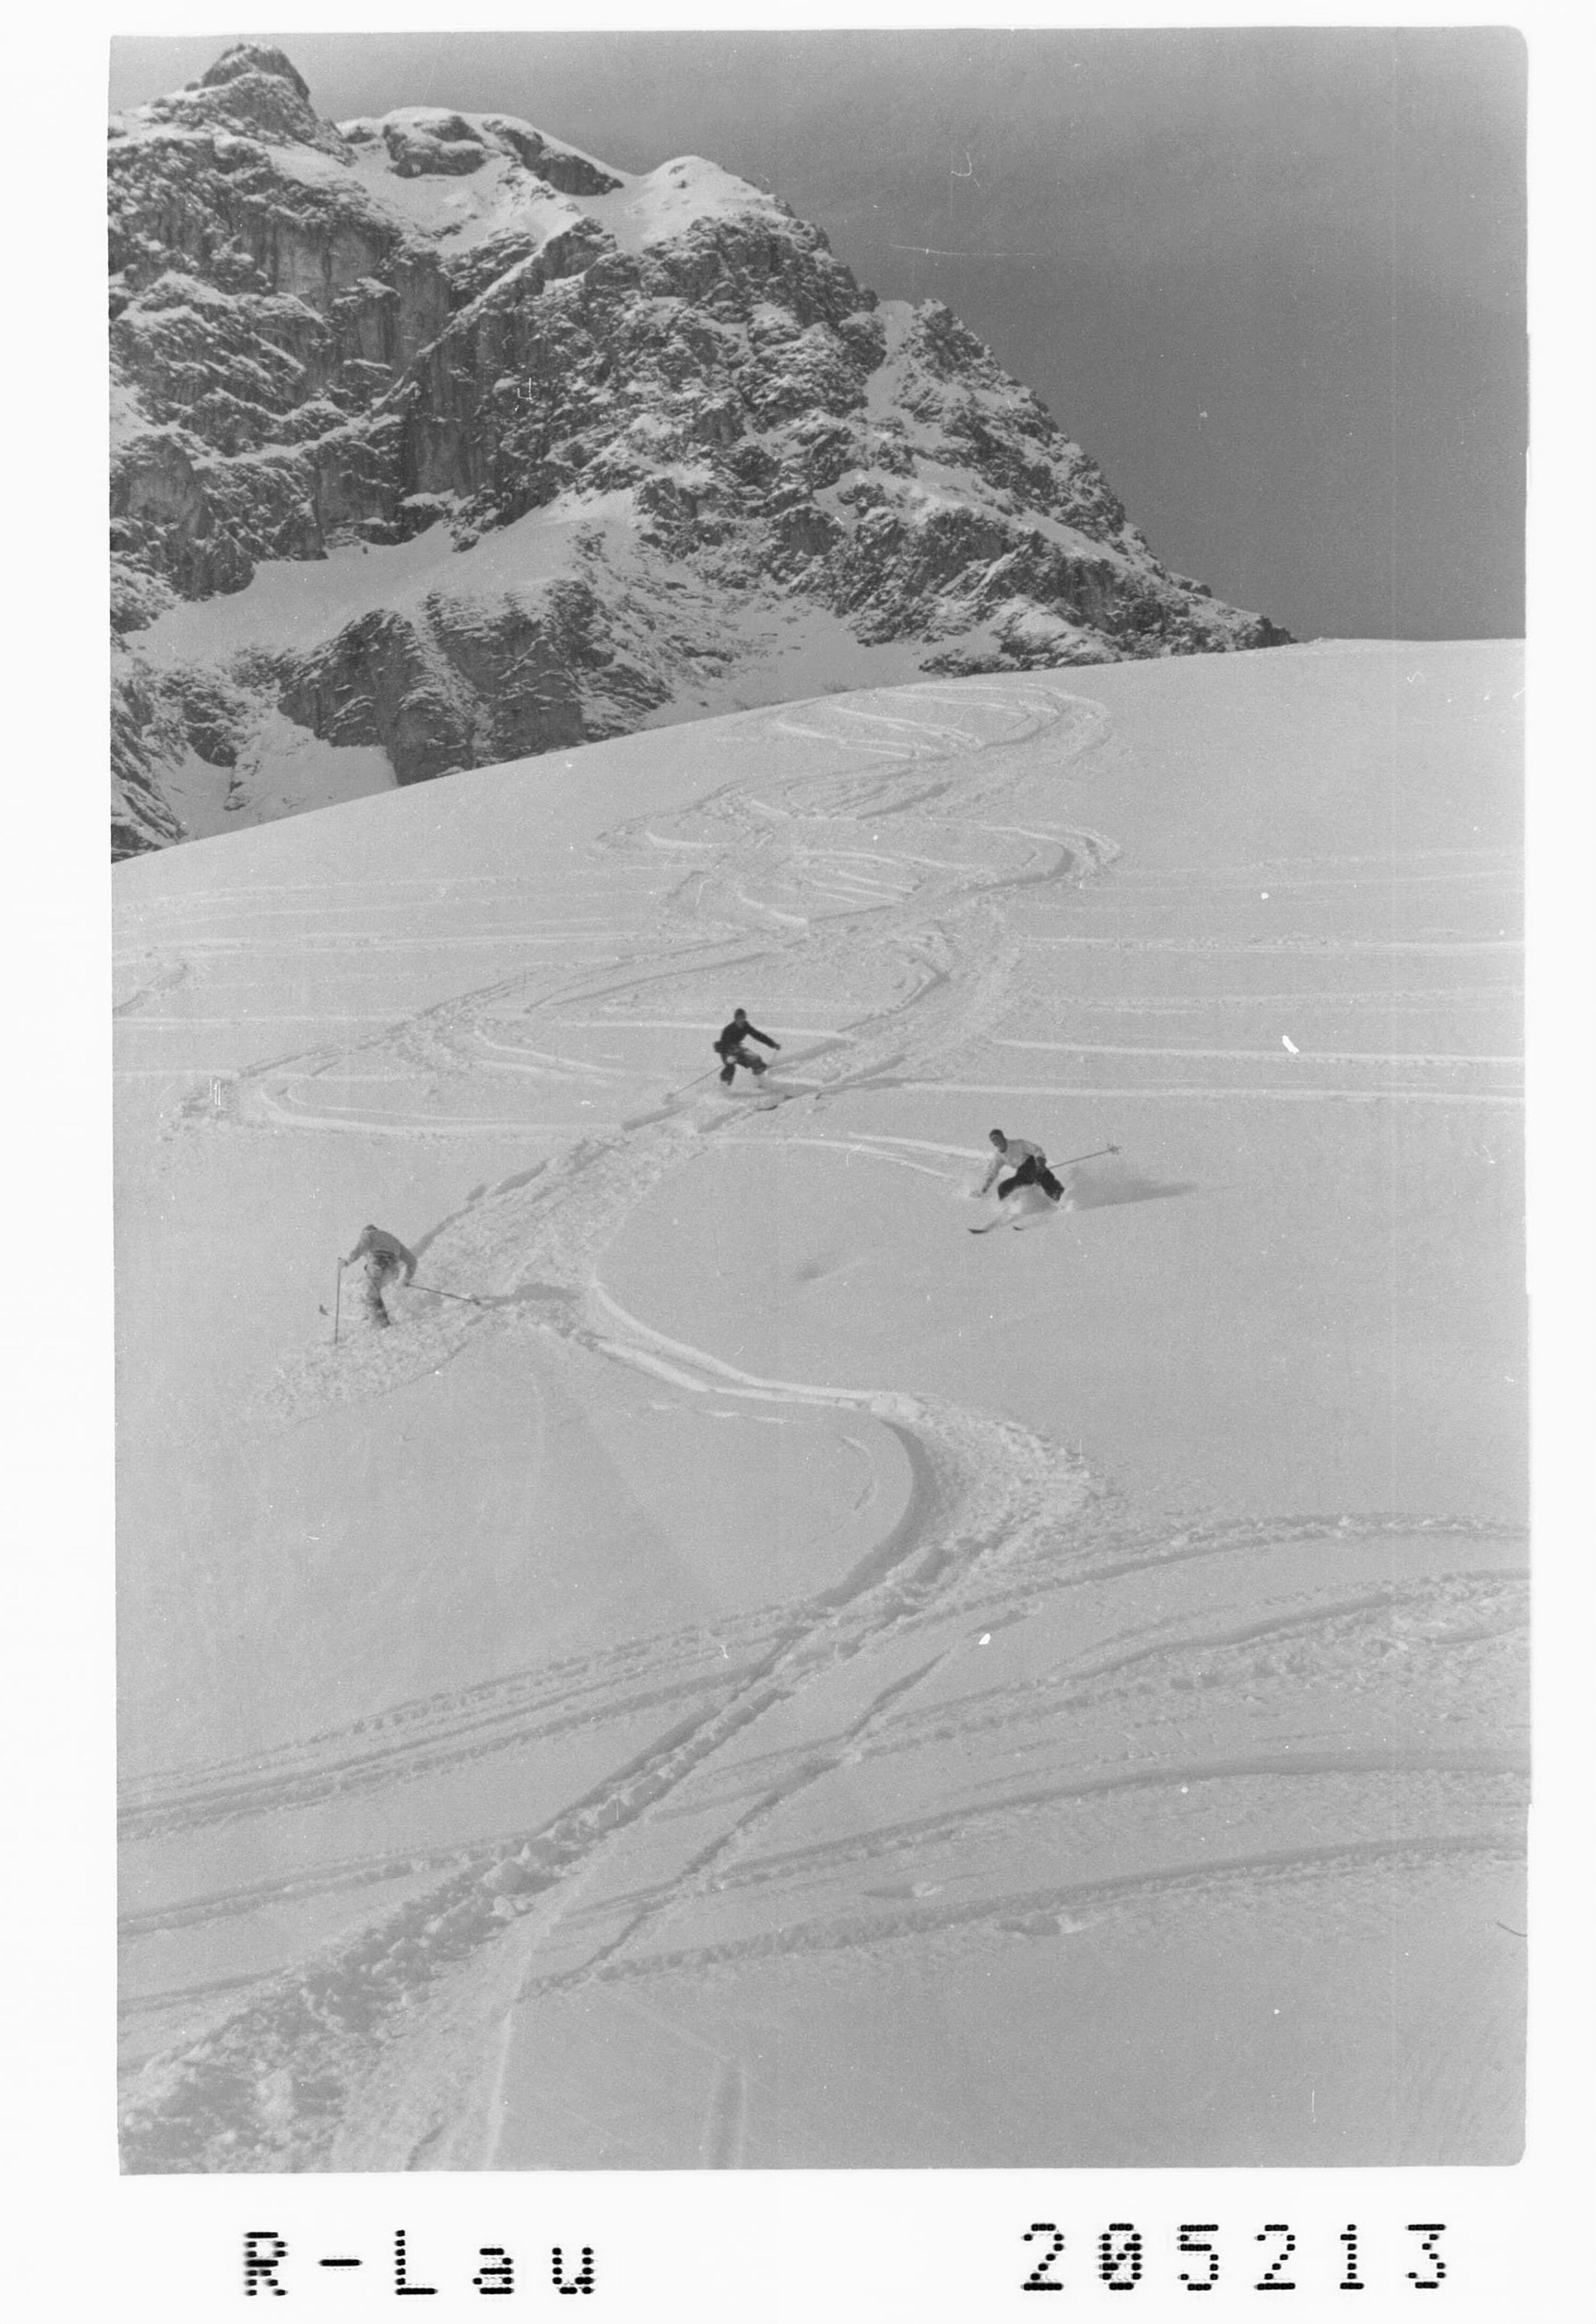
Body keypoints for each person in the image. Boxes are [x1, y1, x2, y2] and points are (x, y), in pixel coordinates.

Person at [342, 1223, 418, 1329]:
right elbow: (412, 1261)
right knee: (373, 1289)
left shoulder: (369, 1235)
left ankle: (379, 1321)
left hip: (378, 1263)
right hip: (392, 1271)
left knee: (369, 1290)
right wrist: (405, 1279)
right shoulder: (394, 1240)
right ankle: (373, 1310)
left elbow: (359, 1249)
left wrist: (346, 1261)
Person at [977, 1128, 1065, 1205]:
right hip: (1022, 1173)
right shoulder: (999, 1157)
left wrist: (1040, 1164)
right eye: (993, 1140)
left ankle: (1062, 1197)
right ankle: (1008, 1207)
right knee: (1003, 1188)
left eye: (997, 1138)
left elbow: (1037, 1151)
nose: (996, 1142)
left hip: (1033, 1165)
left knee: (1041, 1177)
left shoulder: (1018, 1144)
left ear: (1003, 1137)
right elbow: (993, 1173)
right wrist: (985, 1189)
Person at [713, 1006, 780, 1087]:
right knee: (731, 1067)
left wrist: (773, 1044)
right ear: (735, 1019)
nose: (742, 1020)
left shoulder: (746, 1026)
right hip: (727, 1051)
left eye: (744, 1018)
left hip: (737, 1049)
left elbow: (758, 1036)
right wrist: (728, 1058)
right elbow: (722, 1047)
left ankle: (761, 1082)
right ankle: (723, 1086)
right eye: (740, 1018)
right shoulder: (728, 1030)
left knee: (756, 1059)